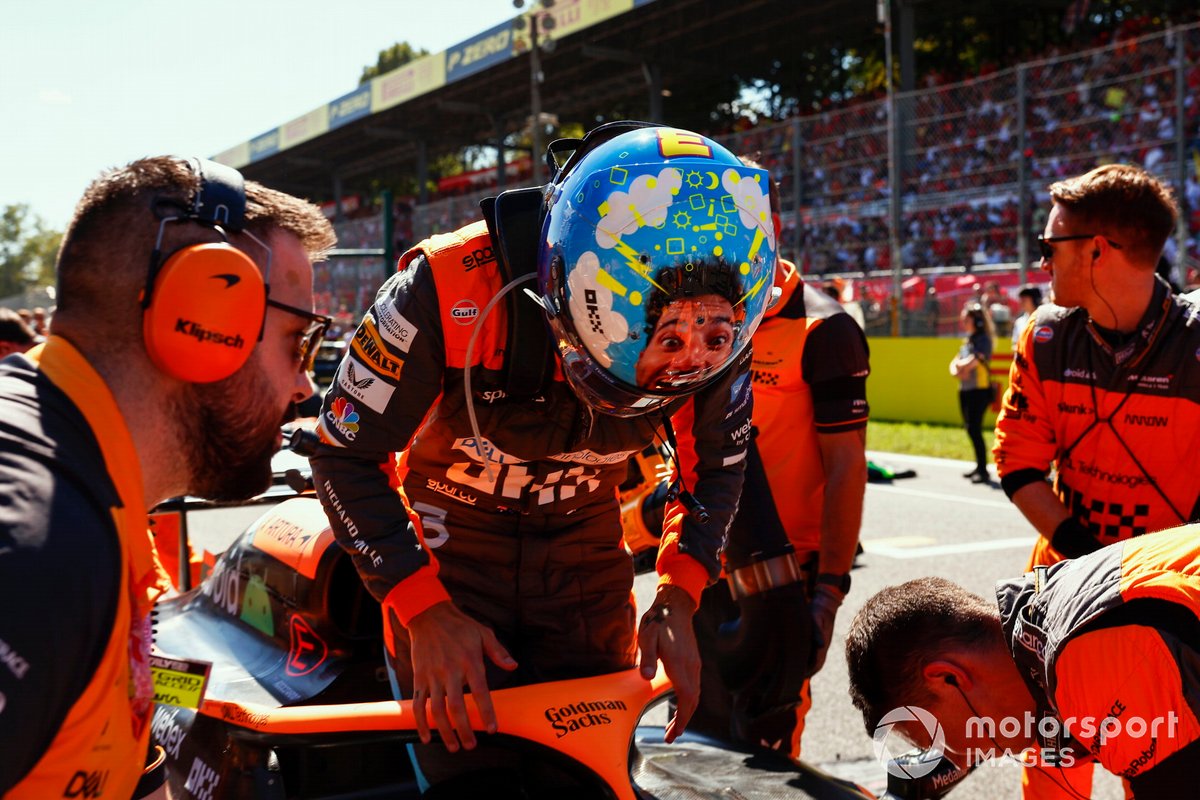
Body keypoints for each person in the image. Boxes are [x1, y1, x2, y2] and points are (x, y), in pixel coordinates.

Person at [309, 122, 776, 793]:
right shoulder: (443, 287)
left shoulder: (726, 327)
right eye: (663, 336)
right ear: (575, 291)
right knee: (470, 781)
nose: (686, 361)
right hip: (449, 566)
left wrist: (681, 591)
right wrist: (423, 609)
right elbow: (344, 454)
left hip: (585, 569)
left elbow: (720, 471)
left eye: (708, 334)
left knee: (590, 780)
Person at [0, 156, 335, 798]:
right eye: (298, 342)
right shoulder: (40, 544)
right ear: (202, 322)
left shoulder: (89, 492)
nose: (302, 386)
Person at [993, 162, 1196, 799]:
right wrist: (1085, 559)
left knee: (1161, 769)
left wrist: (1137, 574)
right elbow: (1018, 463)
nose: (1041, 263)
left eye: (1050, 246)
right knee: (1052, 772)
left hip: (1169, 604)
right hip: (1061, 586)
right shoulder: (1044, 337)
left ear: (1098, 250)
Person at [666, 162, 870, 761]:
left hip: (784, 580)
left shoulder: (824, 328)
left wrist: (829, 592)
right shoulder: (691, 314)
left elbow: (846, 470)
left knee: (764, 756)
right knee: (689, 743)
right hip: (700, 563)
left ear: (770, 225)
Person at [845, 523, 1200, 799]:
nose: (957, 757)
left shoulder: (1084, 658)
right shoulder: (1051, 602)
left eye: (938, 743)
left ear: (947, 678)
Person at [949, 302, 994, 483]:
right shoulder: (968, 340)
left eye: (966, 319)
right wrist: (957, 369)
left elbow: (975, 360)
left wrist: (962, 366)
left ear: (977, 321)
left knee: (975, 428)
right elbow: (955, 362)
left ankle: (983, 470)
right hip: (966, 389)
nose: (963, 322)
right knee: (970, 428)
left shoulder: (983, 339)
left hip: (980, 390)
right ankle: (978, 466)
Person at [1010, 284, 1043, 348]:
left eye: (1024, 300)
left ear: (1035, 300)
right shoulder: (1019, 322)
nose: (1021, 303)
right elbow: (1015, 343)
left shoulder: (1046, 320)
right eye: (1020, 300)